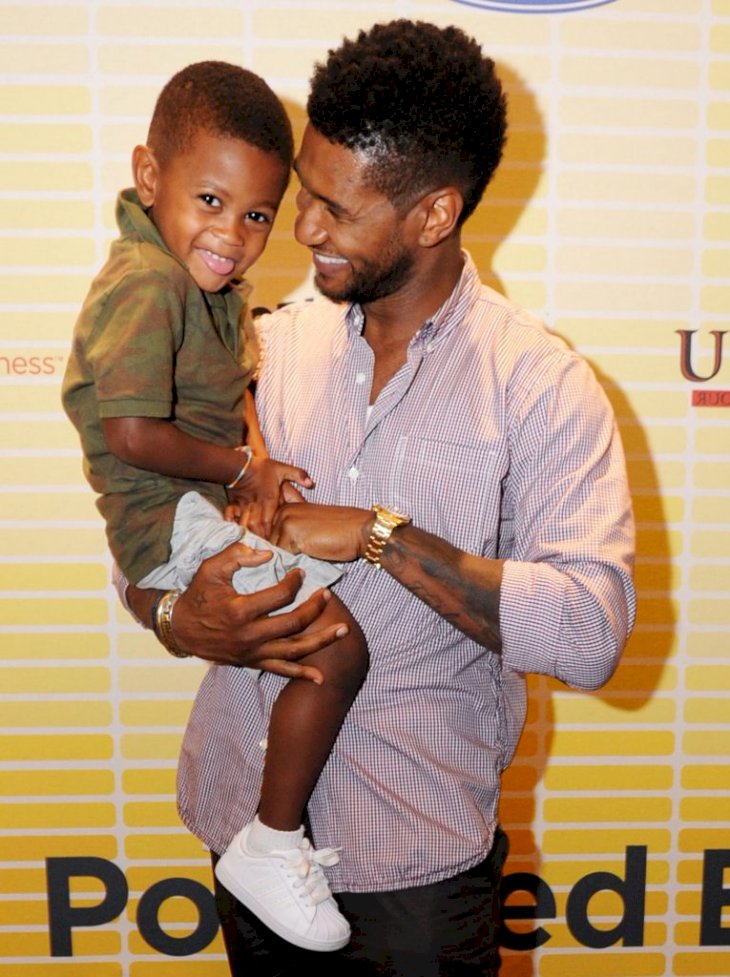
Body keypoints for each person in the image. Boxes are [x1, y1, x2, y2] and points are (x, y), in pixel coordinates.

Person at [122, 20, 636, 977]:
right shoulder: (260, 348)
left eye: (336, 207)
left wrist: (379, 536)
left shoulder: (540, 386)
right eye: (302, 195)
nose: (302, 227)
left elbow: (589, 632)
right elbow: (143, 546)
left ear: (435, 215)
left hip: (417, 879)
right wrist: (177, 614)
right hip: (242, 833)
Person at [61, 60, 370, 953]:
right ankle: (269, 846)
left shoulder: (206, 291)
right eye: (208, 199)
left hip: (189, 512)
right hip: (169, 523)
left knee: (320, 645)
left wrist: (256, 469)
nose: (232, 233)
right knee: (338, 646)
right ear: (148, 176)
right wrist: (241, 472)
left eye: (257, 214)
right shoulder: (147, 282)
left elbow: (215, 399)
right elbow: (130, 434)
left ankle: (271, 841)